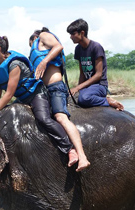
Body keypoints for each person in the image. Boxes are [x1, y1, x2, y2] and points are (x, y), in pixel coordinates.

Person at [0, 35, 80, 168]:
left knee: (43, 118)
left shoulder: (14, 64)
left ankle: (70, 149)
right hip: (22, 98)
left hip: (35, 94)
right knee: (1, 117)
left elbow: (9, 94)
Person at [29, 28, 90, 171]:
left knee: (61, 117)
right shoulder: (36, 47)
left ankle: (82, 156)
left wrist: (44, 61)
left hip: (55, 87)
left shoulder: (43, 36)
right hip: (43, 91)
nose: (32, 47)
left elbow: (58, 47)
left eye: (32, 43)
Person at [66, 18, 124, 110]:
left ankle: (106, 101)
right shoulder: (78, 49)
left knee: (84, 98)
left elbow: (98, 75)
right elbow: (82, 73)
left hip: (100, 85)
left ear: (82, 33)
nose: (71, 37)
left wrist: (77, 88)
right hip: (88, 86)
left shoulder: (96, 47)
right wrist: (77, 90)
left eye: (73, 34)